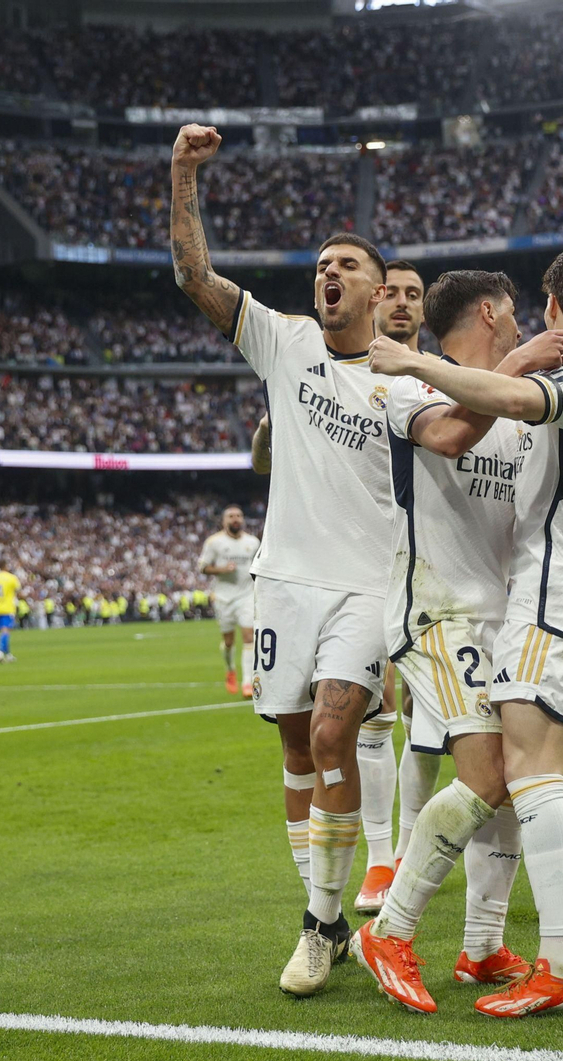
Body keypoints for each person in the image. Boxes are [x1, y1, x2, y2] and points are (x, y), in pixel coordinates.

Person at [369, 244, 563, 1018]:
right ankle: (408, 931)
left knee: (551, 777)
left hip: (541, 603)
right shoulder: (408, 389)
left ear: (553, 307)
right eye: (508, 311)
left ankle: (518, 950)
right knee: (519, 777)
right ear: (492, 313)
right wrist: (424, 364)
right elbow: (454, 432)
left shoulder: (549, 380)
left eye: (532, 305)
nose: (522, 316)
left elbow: (554, 451)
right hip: (443, 610)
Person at [171, 122, 393, 997]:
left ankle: (315, 924)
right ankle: (331, 921)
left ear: (379, 290)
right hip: (285, 583)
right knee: (300, 752)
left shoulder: (410, 378)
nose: (327, 273)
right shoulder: (286, 342)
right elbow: (194, 274)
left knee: (339, 730)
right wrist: (183, 172)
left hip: (367, 590)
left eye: (346, 265)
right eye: (321, 266)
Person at [355, 257, 425, 916]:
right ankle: (382, 860)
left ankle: (409, 848)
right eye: (391, 292)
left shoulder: (437, 378)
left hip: (434, 566)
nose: (401, 303)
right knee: (374, 713)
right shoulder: (342, 372)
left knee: (426, 722)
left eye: (413, 295)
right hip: (364, 565)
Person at [197, 505, 260, 695]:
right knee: (229, 640)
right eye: (231, 516)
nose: (235, 519)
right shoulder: (214, 542)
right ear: (224, 521)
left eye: (239, 515)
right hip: (223, 597)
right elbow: (202, 567)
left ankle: (247, 683)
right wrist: (221, 570)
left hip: (246, 595)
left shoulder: (253, 542)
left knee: (249, 636)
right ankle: (230, 669)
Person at [0, 567, 23, 663]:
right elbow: (18, 590)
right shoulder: (11, 578)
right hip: (8, 608)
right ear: (6, 567)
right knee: (6, 630)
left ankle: (8, 655)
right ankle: (0, 651)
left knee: (4, 630)